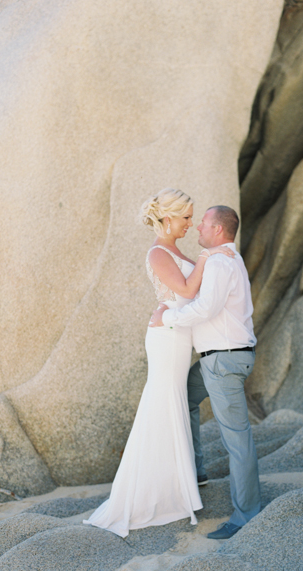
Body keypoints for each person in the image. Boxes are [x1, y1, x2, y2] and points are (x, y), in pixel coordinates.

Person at [85, 188, 234, 537]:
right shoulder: (157, 253)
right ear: (168, 219)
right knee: (163, 403)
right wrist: (206, 259)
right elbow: (184, 291)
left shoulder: (176, 250)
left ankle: (175, 489)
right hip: (166, 338)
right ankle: (152, 495)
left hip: (178, 335)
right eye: (185, 218)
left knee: (173, 404)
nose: (191, 224)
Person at [149, 205, 260, 541]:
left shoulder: (221, 262)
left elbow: (205, 307)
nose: (197, 225)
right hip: (221, 359)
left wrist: (165, 319)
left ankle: (245, 516)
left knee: (237, 439)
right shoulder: (227, 259)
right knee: (183, 394)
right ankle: (196, 470)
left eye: (204, 222)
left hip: (223, 361)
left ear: (218, 230)